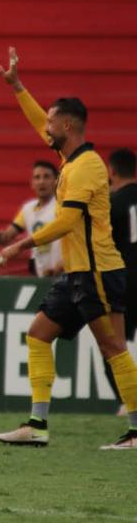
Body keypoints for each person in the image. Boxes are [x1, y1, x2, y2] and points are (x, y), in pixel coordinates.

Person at [0, 48, 137, 450]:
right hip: (76, 274)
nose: (47, 126)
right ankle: (37, 424)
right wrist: (18, 87)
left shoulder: (87, 166)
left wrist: (23, 243)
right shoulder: (70, 159)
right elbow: (39, 120)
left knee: (113, 349)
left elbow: (68, 221)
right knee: (38, 335)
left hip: (99, 272)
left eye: (54, 120)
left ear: (68, 124)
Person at [0, 161, 63, 276]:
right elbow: (7, 236)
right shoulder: (28, 209)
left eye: (46, 177)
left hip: (64, 273)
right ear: (32, 183)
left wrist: (62, 265)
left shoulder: (63, 206)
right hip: (41, 274)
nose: (41, 181)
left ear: (56, 181)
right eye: (37, 177)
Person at [103, 148, 137, 414]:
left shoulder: (112, 203)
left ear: (111, 171)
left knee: (113, 344)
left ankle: (127, 402)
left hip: (123, 281)